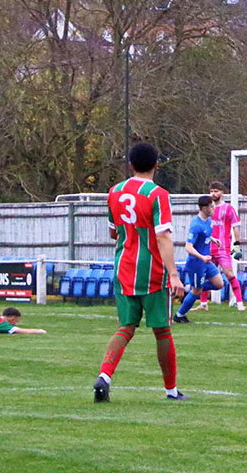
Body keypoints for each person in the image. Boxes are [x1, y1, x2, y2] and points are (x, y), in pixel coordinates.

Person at [94, 141, 188, 403]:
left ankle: (104, 376)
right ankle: (171, 390)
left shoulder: (114, 192)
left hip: (123, 268)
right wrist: (173, 274)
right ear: (157, 164)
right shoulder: (158, 194)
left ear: (130, 165)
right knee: (162, 331)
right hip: (152, 272)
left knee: (126, 327)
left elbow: (113, 232)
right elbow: (163, 236)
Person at [173, 196, 226, 323]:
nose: (214, 209)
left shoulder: (208, 220)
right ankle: (179, 315)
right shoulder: (196, 225)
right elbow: (188, 247)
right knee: (197, 292)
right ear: (204, 208)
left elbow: (204, 235)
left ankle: (190, 288)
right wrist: (202, 257)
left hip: (206, 262)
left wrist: (212, 239)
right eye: (212, 207)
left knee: (219, 284)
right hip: (197, 263)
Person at [202, 180, 245, 311]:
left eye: (216, 191)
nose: (213, 194)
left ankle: (239, 303)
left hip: (223, 249)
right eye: (211, 191)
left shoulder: (228, 208)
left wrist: (237, 245)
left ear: (222, 192)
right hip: (208, 249)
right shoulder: (207, 209)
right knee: (205, 275)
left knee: (229, 274)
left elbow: (236, 227)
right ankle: (203, 304)